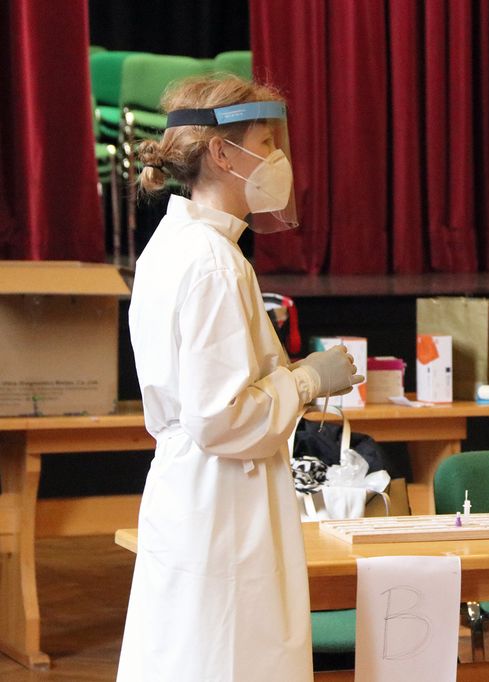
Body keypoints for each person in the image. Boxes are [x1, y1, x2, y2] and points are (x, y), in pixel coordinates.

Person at [117, 74, 361, 681]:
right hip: (222, 497)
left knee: (187, 655)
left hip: (196, 492)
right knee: (228, 657)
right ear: (222, 154)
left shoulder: (176, 245)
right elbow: (220, 417)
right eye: (265, 141)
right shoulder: (213, 263)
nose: (278, 158)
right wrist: (307, 380)